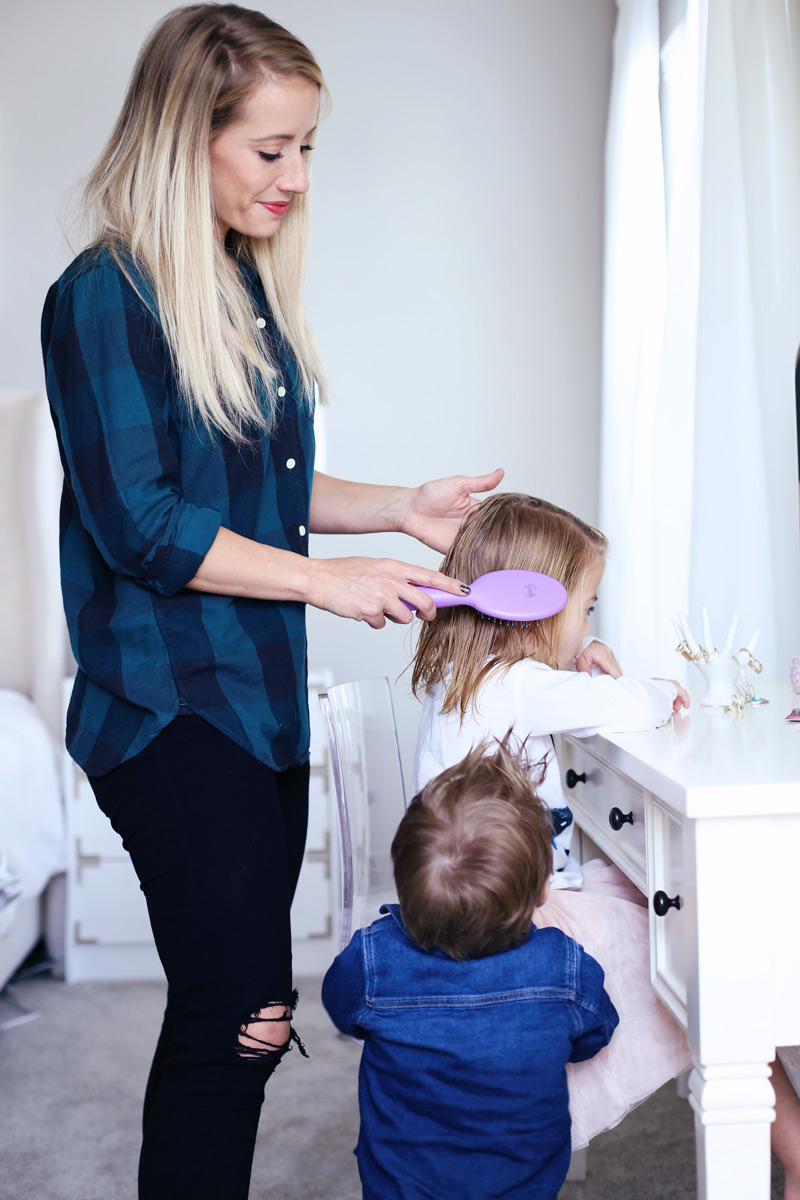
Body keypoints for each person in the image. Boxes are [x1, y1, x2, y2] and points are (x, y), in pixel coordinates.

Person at [40, 6, 503, 1198]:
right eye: (271, 148)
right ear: (185, 136)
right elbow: (143, 523)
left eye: (307, 149)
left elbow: (259, 491)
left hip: (251, 703)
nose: (295, 177)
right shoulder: (103, 297)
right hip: (166, 707)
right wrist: (325, 585)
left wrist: (401, 505)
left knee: (243, 1000)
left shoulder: (238, 283)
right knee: (236, 1008)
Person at [410, 491, 800, 1196]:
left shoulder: (463, 677)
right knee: (689, 949)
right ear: (535, 604)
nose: (590, 622)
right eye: (586, 609)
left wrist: (571, 658)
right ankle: (790, 1138)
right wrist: (652, 686)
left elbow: (551, 695)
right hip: (521, 919)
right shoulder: (523, 684)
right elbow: (629, 705)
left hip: (476, 907)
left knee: (660, 909)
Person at [322, 738, 619, 1200]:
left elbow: (341, 1009)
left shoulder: (375, 960)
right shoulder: (563, 968)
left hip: (400, 1188)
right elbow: (596, 1032)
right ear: (542, 891)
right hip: (524, 1185)